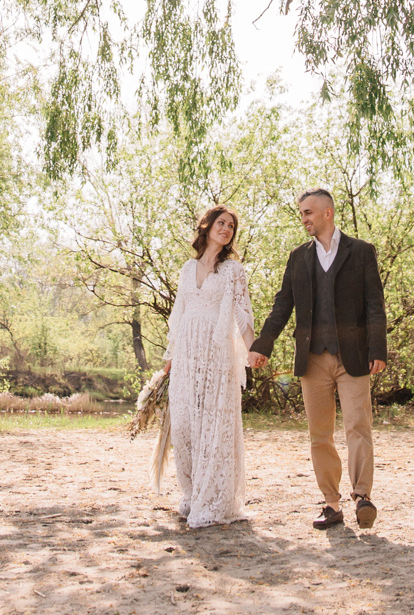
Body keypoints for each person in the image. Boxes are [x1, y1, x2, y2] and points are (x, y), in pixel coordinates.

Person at [248, 188, 389, 530]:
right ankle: (331, 503)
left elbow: (375, 304)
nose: (304, 219)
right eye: (301, 214)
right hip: (312, 360)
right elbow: (283, 305)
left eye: (308, 212)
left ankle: (362, 497)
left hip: (353, 356)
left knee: (358, 426)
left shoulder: (361, 252)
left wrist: (378, 349)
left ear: (328, 213)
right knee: (319, 435)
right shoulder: (298, 257)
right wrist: (262, 345)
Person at [158, 204, 256, 528]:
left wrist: (254, 350)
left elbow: (243, 316)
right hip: (186, 356)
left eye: (231, 226)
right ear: (207, 226)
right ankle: (190, 493)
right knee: (185, 426)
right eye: (221, 223)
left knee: (212, 427)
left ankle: (212, 501)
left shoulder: (233, 272)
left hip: (217, 358)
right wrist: (170, 358)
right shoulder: (187, 269)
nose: (226, 229)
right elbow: (178, 315)